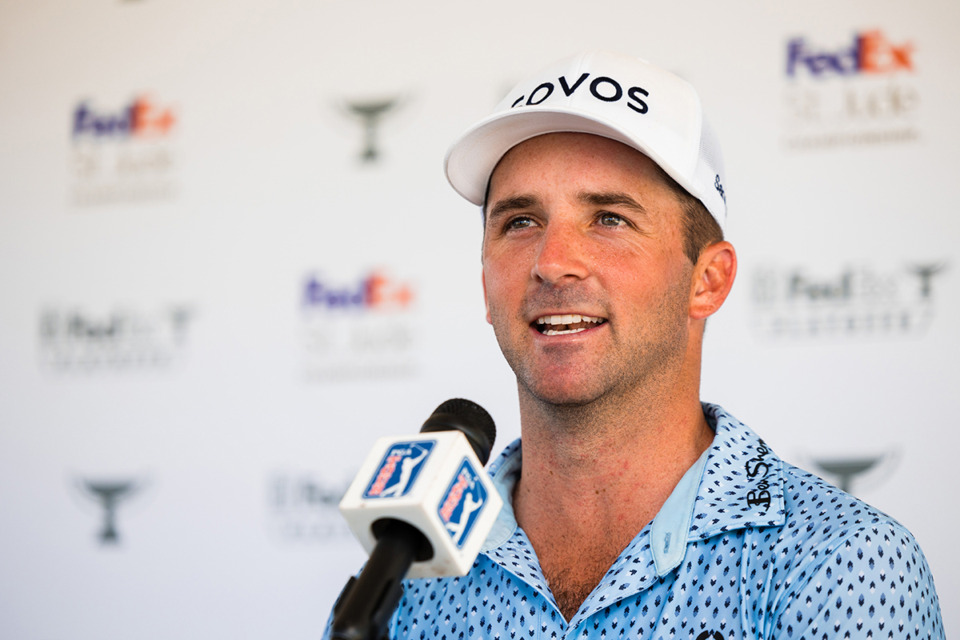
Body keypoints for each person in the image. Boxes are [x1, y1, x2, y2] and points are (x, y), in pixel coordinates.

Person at [331, 51, 944, 639]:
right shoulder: (402, 579)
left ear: (708, 280)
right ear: (486, 286)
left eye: (609, 219)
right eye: (520, 221)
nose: (552, 263)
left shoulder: (840, 563)